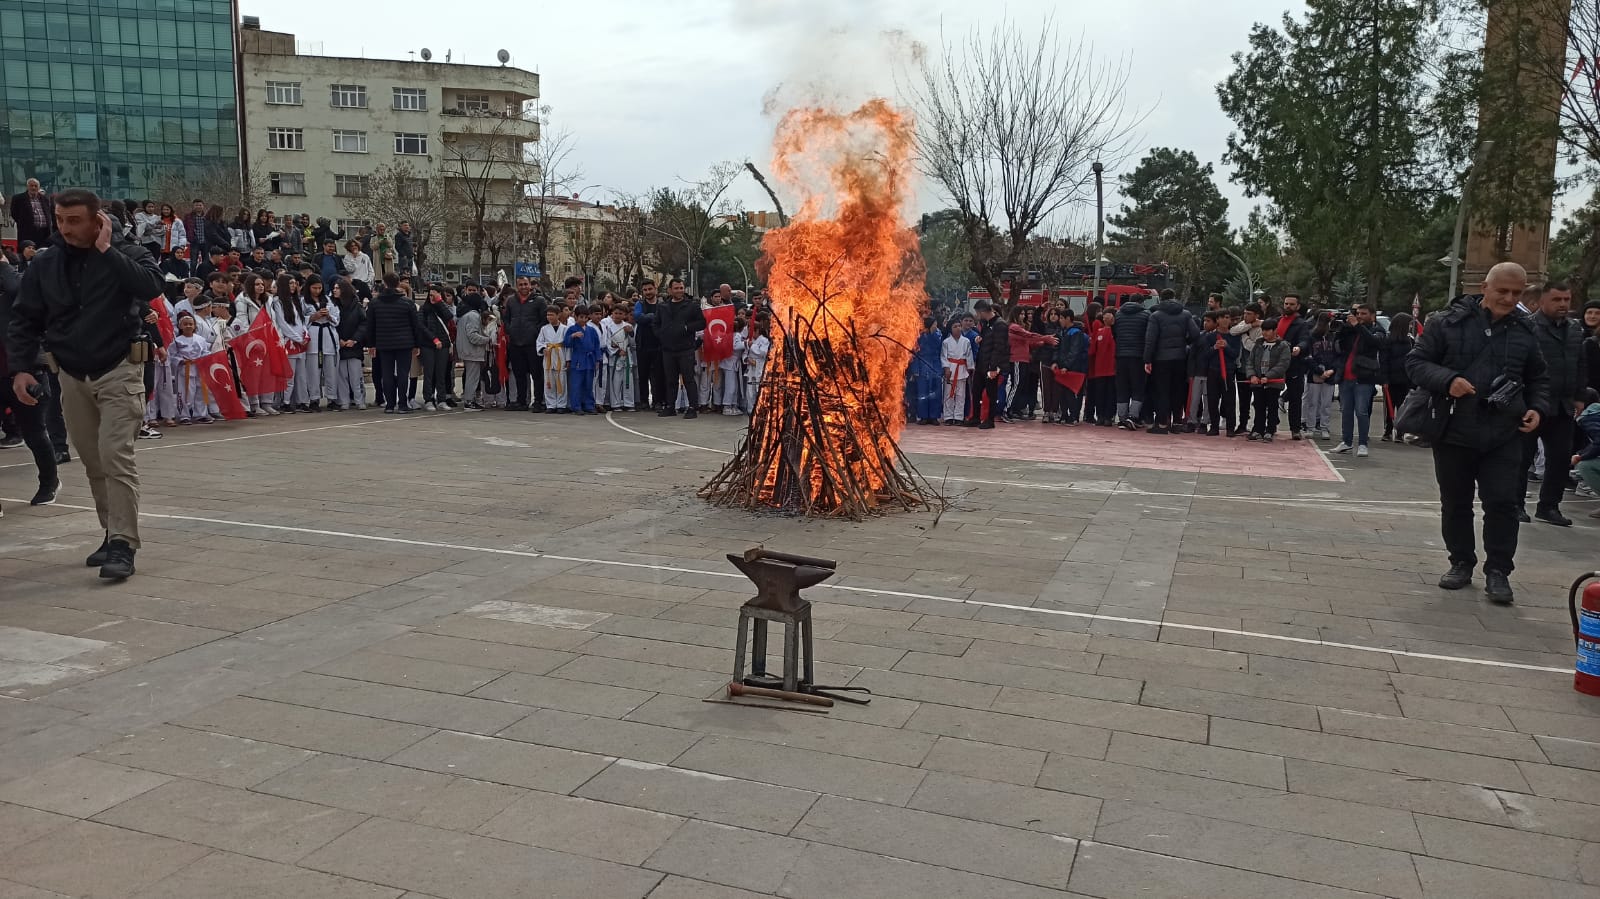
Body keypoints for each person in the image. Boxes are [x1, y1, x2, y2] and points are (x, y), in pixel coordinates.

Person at [7, 189, 163, 578]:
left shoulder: (127, 255)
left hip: (120, 369)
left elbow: (152, 287)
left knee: (115, 455)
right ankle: (111, 533)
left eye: (74, 220)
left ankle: (124, 545)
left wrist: (108, 252)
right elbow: (25, 317)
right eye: (60, 219)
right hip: (72, 375)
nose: (65, 228)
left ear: (99, 221)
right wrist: (22, 367)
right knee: (94, 461)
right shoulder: (46, 263)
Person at [1406, 262, 1550, 604]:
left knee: (1503, 503)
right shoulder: (1446, 322)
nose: (1509, 298)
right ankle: (1460, 562)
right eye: (1503, 291)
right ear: (1485, 287)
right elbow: (1415, 363)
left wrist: (1537, 408)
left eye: (1517, 293)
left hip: (1504, 433)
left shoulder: (1526, 331)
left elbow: (1539, 378)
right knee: (1455, 502)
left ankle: (1498, 570)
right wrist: (1448, 380)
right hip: (1454, 429)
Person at [1520, 281, 1585, 527]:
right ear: (1543, 301)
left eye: (1566, 300)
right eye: (1557, 300)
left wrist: (1579, 395)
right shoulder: (1529, 326)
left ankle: (1549, 506)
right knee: (1522, 457)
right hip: (1533, 403)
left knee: (1559, 459)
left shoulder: (1575, 329)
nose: (1563, 305)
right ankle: (1516, 505)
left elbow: (1580, 364)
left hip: (1563, 404)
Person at [365, 273, 427, 414]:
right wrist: (417, 344)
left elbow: (370, 326)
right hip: (404, 343)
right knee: (403, 373)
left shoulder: (374, 303)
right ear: (398, 283)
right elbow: (415, 325)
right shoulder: (407, 303)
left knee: (386, 374)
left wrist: (371, 344)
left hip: (383, 343)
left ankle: (390, 405)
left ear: (385, 284)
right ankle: (403, 404)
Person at [1143, 289, 1200, 435]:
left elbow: (1150, 340)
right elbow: (1195, 334)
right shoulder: (1186, 314)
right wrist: (1184, 343)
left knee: (1162, 391)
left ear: (1161, 299)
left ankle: (1162, 423)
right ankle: (1177, 423)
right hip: (1180, 357)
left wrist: (1147, 359)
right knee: (1178, 390)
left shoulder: (1156, 316)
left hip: (1161, 359)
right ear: (1174, 298)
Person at [1332, 304, 1385, 457]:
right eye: (1358, 313)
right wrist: (1344, 328)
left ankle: (1362, 444)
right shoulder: (1352, 330)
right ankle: (1346, 442)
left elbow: (1374, 342)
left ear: (1372, 315)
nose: (1360, 316)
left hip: (1363, 378)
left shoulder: (1377, 330)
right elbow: (1339, 346)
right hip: (1346, 376)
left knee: (1361, 412)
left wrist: (1358, 326)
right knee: (1346, 411)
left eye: (1364, 313)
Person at [657, 277, 707, 419]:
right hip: (668, 349)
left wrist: (687, 327)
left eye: (681, 288)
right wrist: (661, 335)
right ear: (670, 290)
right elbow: (656, 323)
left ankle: (692, 407)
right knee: (670, 379)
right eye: (676, 288)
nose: (679, 291)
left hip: (685, 348)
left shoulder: (692, 306)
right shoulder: (663, 307)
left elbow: (702, 323)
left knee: (688, 379)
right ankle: (670, 406)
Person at [503, 276, 548, 412]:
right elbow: (506, 319)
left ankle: (538, 401)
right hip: (516, 343)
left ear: (530, 285)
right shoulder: (511, 301)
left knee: (537, 374)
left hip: (533, 343)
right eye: (520, 284)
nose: (523, 287)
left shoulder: (539, 301)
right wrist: (510, 330)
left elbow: (543, 320)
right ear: (517, 286)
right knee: (519, 374)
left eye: (525, 284)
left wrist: (535, 332)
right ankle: (521, 401)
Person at [1245, 318, 1291, 441]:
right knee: (1258, 405)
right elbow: (1250, 362)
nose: (1265, 333)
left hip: (1273, 383)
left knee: (1272, 406)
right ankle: (1257, 429)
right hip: (1258, 382)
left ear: (1275, 330)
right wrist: (1252, 375)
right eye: (1263, 330)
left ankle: (1270, 430)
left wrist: (1268, 376)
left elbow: (1283, 364)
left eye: (1268, 330)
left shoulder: (1283, 346)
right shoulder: (1258, 344)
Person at [968, 299, 1009, 429]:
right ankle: (975, 417)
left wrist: (993, 367)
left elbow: (999, 347)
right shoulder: (985, 323)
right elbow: (986, 338)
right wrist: (980, 339)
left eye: (977, 313)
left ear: (982, 311)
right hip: (981, 362)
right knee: (976, 391)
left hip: (992, 364)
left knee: (991, 393)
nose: (977, 316)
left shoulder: (1000, 324)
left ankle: (989, 420)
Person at [1111, 296, 1150, 429]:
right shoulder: (1146, 314)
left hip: (1121, 355)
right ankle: (1133, 416)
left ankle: (1122, 418)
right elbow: (1148, 335)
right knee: (1137, 387)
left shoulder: (1119, 314)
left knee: (1122, 387)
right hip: (1138, 356)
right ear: (1140, 302)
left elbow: (1115, 333)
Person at [1278, 294, 1314, 439]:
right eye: (1286, 303)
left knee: (1295, 398)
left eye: (1292, 304)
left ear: (1298, 306)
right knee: (1270, 396)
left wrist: (1299, 348)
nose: (1288, 306)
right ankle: (1270, 425)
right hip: (1276, 365)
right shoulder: (1277, 321)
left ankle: (1295, 429)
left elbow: (1305, 340)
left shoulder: (1301, 324)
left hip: (1294, 365)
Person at [303, 278, 340, 411]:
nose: (317, 291)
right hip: (313, 336)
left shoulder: (329, 300)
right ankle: (314, 399)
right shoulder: (303, 301)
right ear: (308, 288)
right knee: (313, 371)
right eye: (314, 288)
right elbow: (299, 319)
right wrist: (313, 317)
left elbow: (337, 318)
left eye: (319, 288)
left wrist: (329, 316)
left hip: (328, 335)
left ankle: (332, 398)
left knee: (331, 371)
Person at [329, 278, 366, 410]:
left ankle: (359, 399)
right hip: (339, 345)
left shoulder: (357, 305)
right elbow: (332, 324)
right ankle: (344, 400)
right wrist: (338, 339)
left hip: (354, 346)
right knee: (341, 375)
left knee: (356, 376)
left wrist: (354, 339)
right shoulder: (332, 305)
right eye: (334, 288)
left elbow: (363, 324)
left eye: (337, 288)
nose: (334, 290)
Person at [1381, 312, 1416, 443]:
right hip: (1391, 378)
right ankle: (1388, 430)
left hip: (1405, 378)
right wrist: (1384, 379)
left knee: (1403, 406)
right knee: (1390, 404)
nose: (1410, 327)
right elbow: (1384, 360)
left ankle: (1400, 431)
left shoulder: (1410, 340)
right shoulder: (1388, 340)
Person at [418, 286, 455, 410]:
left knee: (441, 372)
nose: (432, 297)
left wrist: (439, 302)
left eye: (435, 294)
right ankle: (428, 399)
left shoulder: (442, 308)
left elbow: (449, 317)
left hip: (443, 344)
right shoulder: (424, 309)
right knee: (429, 373)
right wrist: (433, 338)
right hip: (428, 344)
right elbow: (421, 326)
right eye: (430, 295)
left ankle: (441, 399)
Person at [1305, 313, 1339, 440]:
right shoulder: (1311, 336)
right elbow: (1308, 356)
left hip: (1330, 374)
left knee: (1326, 403)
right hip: (1314, 373)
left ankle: (1325, 427)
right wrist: (1319, 370)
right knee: (1312, 402)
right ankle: (1310, 427)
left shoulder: (1333, 337)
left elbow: (1337, 356)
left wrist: (1332, 370)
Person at [1228, 305, 1262, 435]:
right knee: (1243, 399)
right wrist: (1249, 326)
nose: (1245, 316)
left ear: (1256, 315)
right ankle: (1242, 424)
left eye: (1249, 314)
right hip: (1241, 368)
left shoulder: (1261, 328)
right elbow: (1233, 331)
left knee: (1258, 400)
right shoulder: (1245, 324)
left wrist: (1244, 337)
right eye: (1245, 313)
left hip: (1256, 369)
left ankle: (1258, 426)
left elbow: (1255, 348)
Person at [1051, 308, 1089, 425]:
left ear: (1068, 318)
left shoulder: (1076, 332)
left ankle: (1074, 416)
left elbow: (1074, 351)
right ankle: (1064, 415)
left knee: (1071, 392)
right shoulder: (1062, 332)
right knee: (1061, 392)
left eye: (1062, 318)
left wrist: (1067, 365)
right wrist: (1055, 361)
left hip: (1074, 368)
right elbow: (1056, 348)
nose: (1060, 320)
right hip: (1062, 366)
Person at [565, 307, 602, 414]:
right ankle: (576, 406)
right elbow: (566, 343)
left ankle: (589, 405)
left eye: (586, 317)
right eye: (581, 317)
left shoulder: (592, 330)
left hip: (590, 359)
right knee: (576, 384)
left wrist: (597, 359)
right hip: (578, 359)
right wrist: (572, 336)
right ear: (575, 317)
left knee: (588, 384)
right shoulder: (572, 329)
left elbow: (596, 345)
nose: (583, 320)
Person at [910, 316, 944, 425]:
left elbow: (939, 348)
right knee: (922, 392)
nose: (936, 326)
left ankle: (934, 416)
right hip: (922, 364)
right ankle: (923, 416)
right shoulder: (918, 336)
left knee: (936, 392)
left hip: (935, 364)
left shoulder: (938, 334)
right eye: (934, 324)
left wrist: (932, 333)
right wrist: (915, 369)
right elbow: (914, 353)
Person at [601, 305, 635, 412]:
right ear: (612, 314)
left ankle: (628, 403)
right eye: (616, 313)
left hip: (626, 356)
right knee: (615, 381)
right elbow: (607, 342)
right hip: (615, 358)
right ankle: (615, 404)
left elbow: (633, 343)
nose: (618, 315)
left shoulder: (628, 326)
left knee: (628, 381)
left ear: (625, 315)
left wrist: (630, 333)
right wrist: (617, 351)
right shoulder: (608, 327)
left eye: (621, 313)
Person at [537, 306, 570, 412]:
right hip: (549, 356)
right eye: (548, 315)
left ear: (558, 315)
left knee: (561, 381)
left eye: (552, 314)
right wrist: (542, 349)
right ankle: (551, 405)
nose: (549, 317)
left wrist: (568, 359)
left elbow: (568, 346)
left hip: (561, 355)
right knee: (549, 382)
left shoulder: (565, 328)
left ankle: (561, 405)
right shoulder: (544, 329)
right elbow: (539, 342)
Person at [941, 318, 974, 425]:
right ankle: (948, 416)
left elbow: (969, 356)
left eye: (959, 326)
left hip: (962, 369)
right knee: (948, 394)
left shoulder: (966, 341)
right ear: (950, 329)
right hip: (950, 369)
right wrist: (946, 368)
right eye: (955, 327)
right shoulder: (946, 342)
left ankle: (959, 416)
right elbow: (943, 356)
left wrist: (970, 368)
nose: (958, 328)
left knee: (961, 395)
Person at [10, 178, 54, 247]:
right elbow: (14, 213)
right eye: (31, 185)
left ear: (39, 187)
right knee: (29, 255)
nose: (33, 188)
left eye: (35, 186)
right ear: (27, 187)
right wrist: (24, 224)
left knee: (44, 253)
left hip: (44, 233)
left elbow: (49, 213)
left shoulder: (45, 198)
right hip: (28, 233)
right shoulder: (18, 198)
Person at [743, 317, 770, 415]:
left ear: (757, 330)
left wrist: (752, 346)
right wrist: (746, 359)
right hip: (750, 367)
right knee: (750, 391)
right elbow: (745, 353)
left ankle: (760, 411)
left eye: (752, 331)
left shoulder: (764, 340)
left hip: (760, 365)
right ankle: (751, 410)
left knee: (759, 389)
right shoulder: (748, 340)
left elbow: (763, 352)